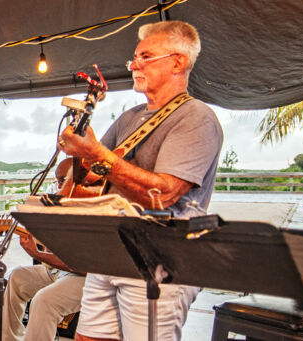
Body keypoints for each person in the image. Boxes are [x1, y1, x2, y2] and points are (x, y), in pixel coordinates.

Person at [57, 21, 223, 341]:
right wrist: (79, 151)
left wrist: (99, 155)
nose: (134, 65)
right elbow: (89, 177)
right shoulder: (129, 118)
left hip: (160, 259)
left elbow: (165, 192)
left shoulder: (196, 117)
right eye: (134, 58)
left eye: (145, 57)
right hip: (111, 249)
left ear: (178, 62)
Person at [1, 233, 86, 341]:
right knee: (18, 276)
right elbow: (54, 257)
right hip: (61, 271)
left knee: (44, 300)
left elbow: (85, 266)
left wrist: (37, 254)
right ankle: (8, 338)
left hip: (92, 277)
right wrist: (46, 244)